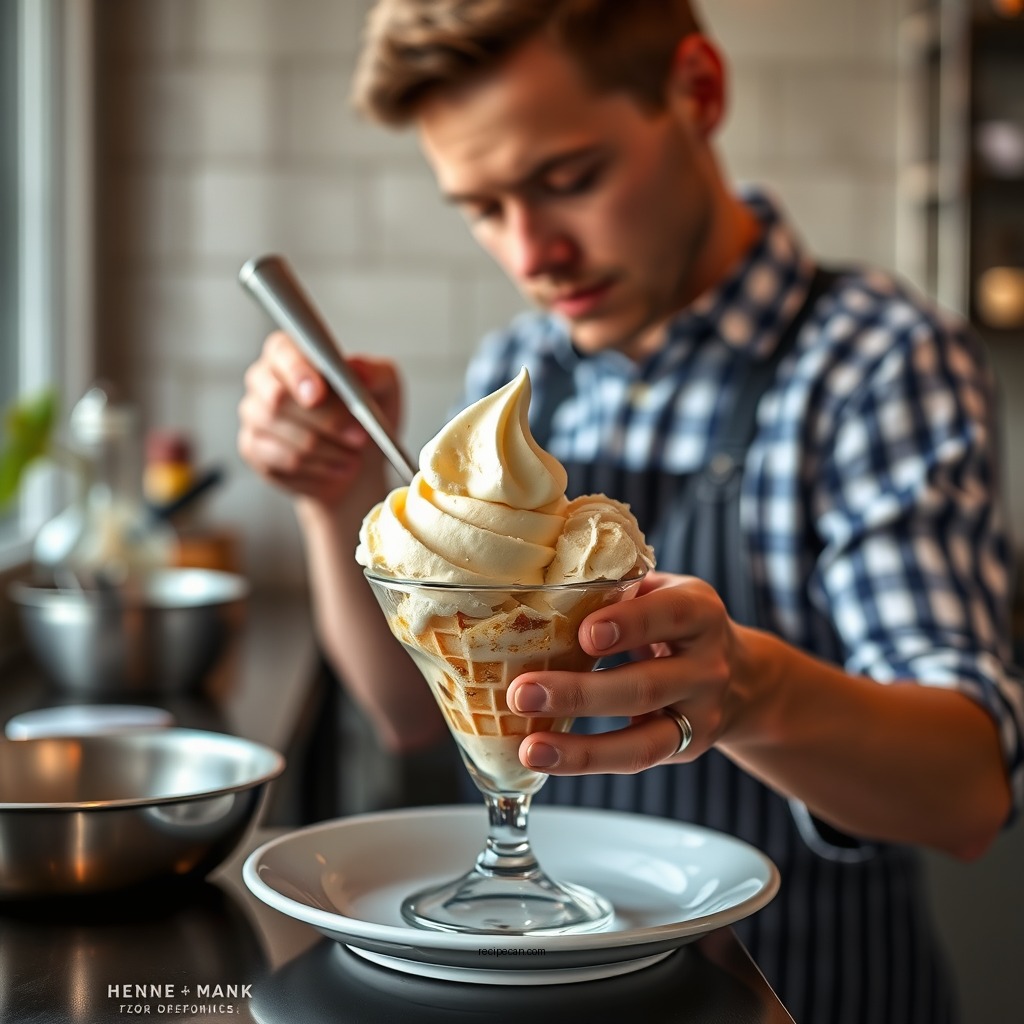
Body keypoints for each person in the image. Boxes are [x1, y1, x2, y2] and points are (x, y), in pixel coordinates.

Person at [237, 2, 1024, 1021]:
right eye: (480, 207)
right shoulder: (524, 378)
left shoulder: (877, 364)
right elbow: (408, 707)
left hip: (802, 993)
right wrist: (335, 493)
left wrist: (751, 689)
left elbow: (966, 791)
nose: (532, 253)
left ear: (696, 90)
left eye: (566, 179)